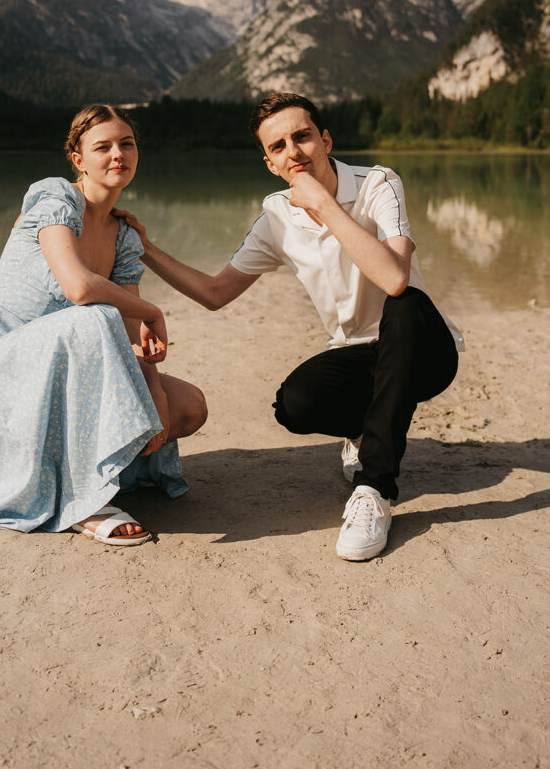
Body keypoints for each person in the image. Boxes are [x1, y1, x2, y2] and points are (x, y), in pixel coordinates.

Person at [117, 92, 462, 561]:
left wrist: (324, 203)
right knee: (294, 405)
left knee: (401, 304)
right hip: (360, 354)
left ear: (326, 139)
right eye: (278, 146)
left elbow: (395, 277)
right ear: (269, 163)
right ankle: (363, 429)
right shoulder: (277, 217)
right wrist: (145, 247)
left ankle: (375, 489)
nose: (293, 152)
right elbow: (216, 293)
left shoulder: (377, 182)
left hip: (424, 349)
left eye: (302, 137)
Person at [0, 104, 207, 546]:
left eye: (126, 144)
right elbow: (78, 287)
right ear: (78, 159)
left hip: (64, 371)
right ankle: (84, 504)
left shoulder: (125, 236)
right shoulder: (55, 198)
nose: (117, 155)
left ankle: (83, 470)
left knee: (188, 405)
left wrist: (153, 389)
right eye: (102, 147)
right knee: (93, 317)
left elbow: (133, 335)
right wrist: (153, 312)